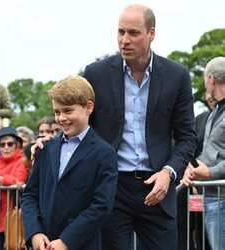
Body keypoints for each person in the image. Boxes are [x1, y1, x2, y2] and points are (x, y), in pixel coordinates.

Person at [82, 4, 197, 249]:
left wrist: (169, 173)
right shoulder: (96, 74)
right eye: (120, 32)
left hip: (158, 188)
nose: (124, 40)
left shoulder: (177, 76)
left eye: (133, 33)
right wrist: (50, 145)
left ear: (151, 34)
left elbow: (187, 137)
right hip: (111, 187)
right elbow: (83, 130)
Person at [21, 76, 118, 250]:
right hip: (44, 242)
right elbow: (29, 195)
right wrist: (34, 232)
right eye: (57, 112)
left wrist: (67, 240)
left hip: (81, 244)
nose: (61, 118)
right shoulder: (45, 148)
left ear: (88, 107)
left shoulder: (104, 153)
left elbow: (101, 205)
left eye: (68, 111)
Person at [181, 56, 225, 250]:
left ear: (211, 79)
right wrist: (193, 168)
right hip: (211, 197)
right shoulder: (215, 112)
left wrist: (210, 173)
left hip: (220, 198)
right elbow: (210, 152)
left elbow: (212, 165)